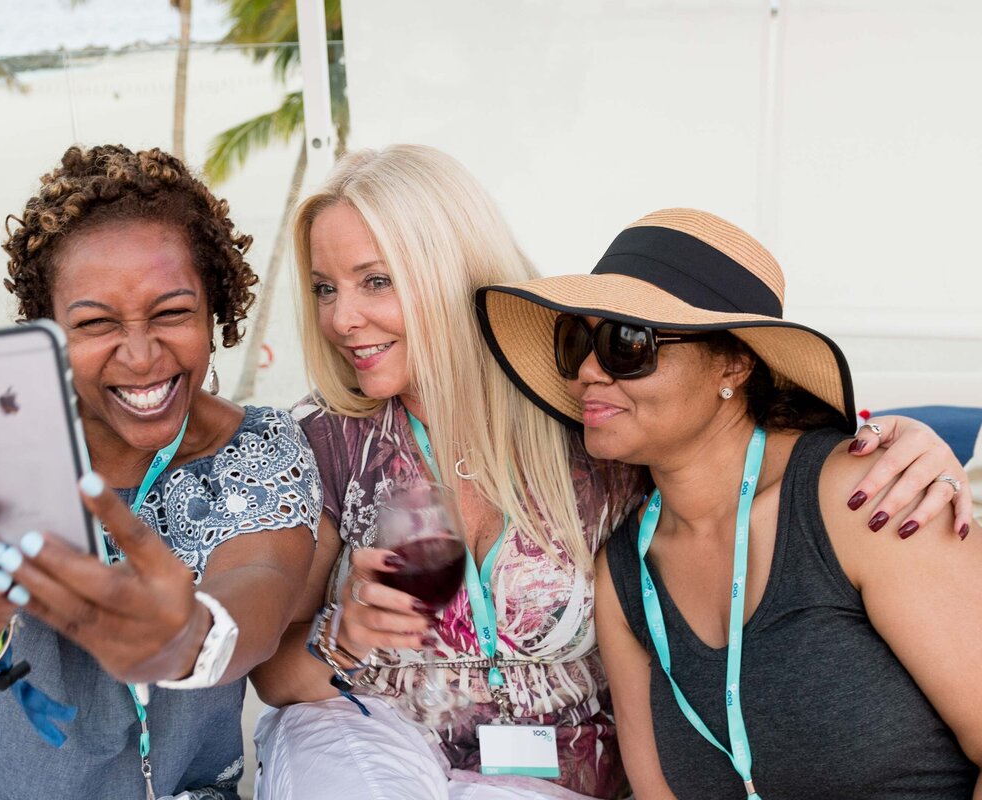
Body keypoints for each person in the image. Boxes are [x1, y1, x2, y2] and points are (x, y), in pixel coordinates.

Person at [249, 145, 973, 799]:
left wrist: (904, 438)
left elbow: (752, 445)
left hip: (560, 778)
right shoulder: (329, 444)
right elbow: (273, 676)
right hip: (380, 756)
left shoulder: (599, 428)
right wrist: (344, 633)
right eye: (324, 288)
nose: (342, 318)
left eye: (375, 280)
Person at [0, 145, 320, 800]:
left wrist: (185, 636)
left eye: (173, 312)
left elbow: (259, 592)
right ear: (48, 327)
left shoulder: (261, 452)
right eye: (96, 323)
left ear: (215, 309)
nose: (140, 354)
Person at [476, 208, 981, 798]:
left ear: (734, 362)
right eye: (577, 341)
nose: (588, 370)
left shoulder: (860, 496)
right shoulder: (624, 575)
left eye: (626, 343)